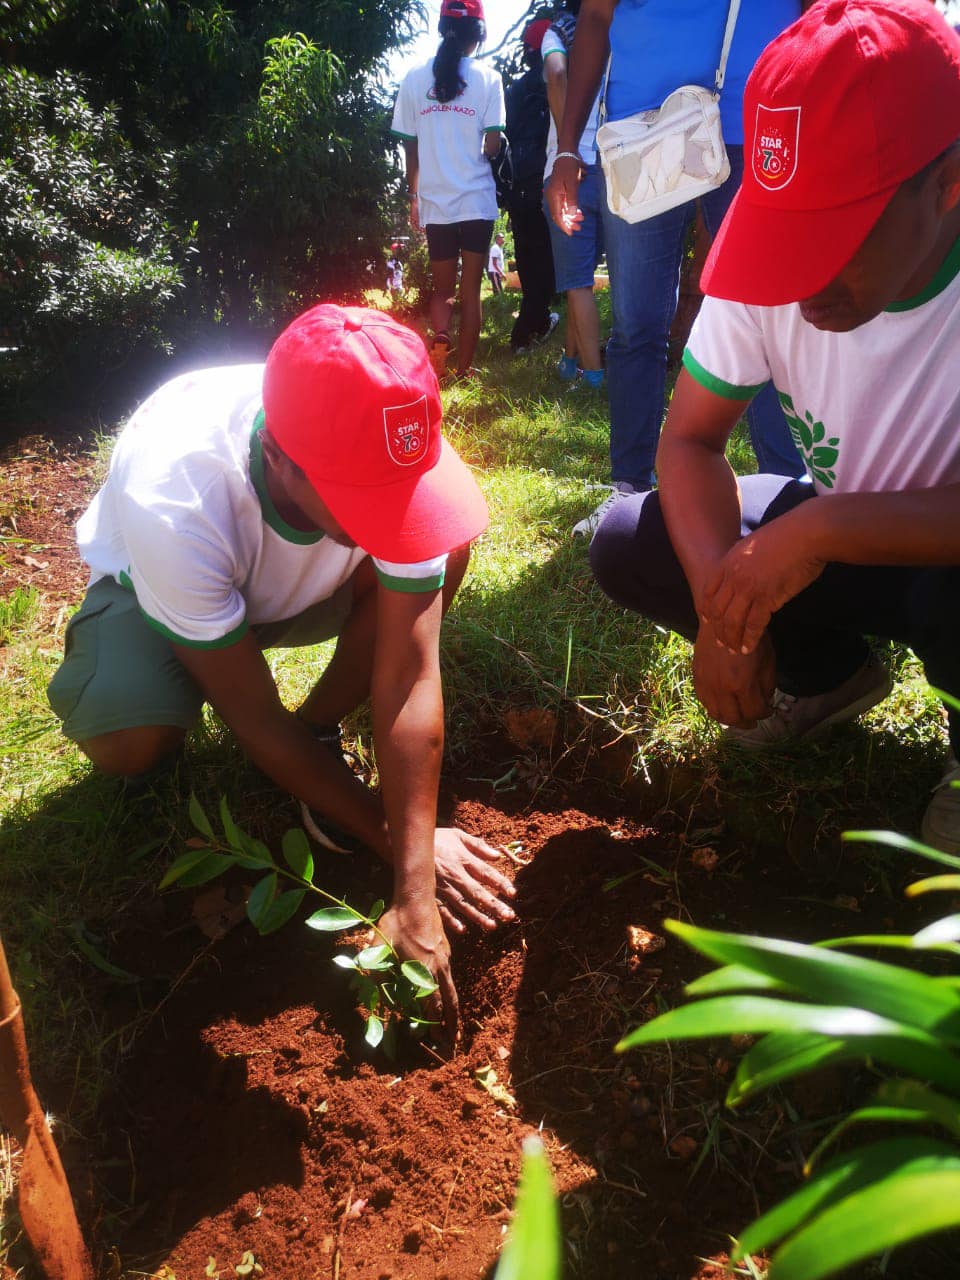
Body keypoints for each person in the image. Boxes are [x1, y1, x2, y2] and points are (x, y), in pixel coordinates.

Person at [47, 304, 518, 1038]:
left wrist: (414, 885)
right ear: (279, 459)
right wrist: (399, 845)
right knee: (128, 735)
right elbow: (255, 721)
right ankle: (171, 674)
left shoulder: (381, 428)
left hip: (299, 590)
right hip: (164, 595)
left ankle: (321, 729)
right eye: (364, 501)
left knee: (440, 550)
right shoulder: (174, 496)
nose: (390, 520)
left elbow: (410, 676)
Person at [588, 0, 960, 853]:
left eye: (837, 233)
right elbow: (688, 441)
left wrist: (823, 525)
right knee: (628, 539)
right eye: (787, 227)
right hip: (861, 555)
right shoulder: (773, 270)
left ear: (947, 182)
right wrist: (728, 611)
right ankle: (827, 678)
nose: (798, 279)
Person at [547, 0, 808, 537]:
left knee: (770, 316)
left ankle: (785, 500)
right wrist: (566, 149)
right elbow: (596, 16)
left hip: (758, 114)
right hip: (641, 128)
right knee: (637, 323)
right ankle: (630, 492)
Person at [391, 0, 505, 380]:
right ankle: (464, 369)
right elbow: (492, 145)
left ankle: (440, 338)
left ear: (442, 28)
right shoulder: (489, 78)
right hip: (475, 200)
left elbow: (409, 145)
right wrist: (494, 144)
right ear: (479, 34)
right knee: (470, 290)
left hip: (435, 201)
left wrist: (413, 196)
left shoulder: (412, 78)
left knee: (443, 290)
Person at [541, 1, 605, 390]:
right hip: (614, 163)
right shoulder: (618, 27)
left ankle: (594, 378)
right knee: (578, 274)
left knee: (577, 280)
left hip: (570, 169)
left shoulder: (558, 31)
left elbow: (556, 73)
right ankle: (568, 360)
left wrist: (570, 144)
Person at [501, 18, 560, 353]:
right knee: (548, 257)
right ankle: (528, 330)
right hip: (547, 177)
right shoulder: (557, 79)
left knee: (527, 256)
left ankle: (533, 323)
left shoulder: (513, 90)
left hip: (518, 183)